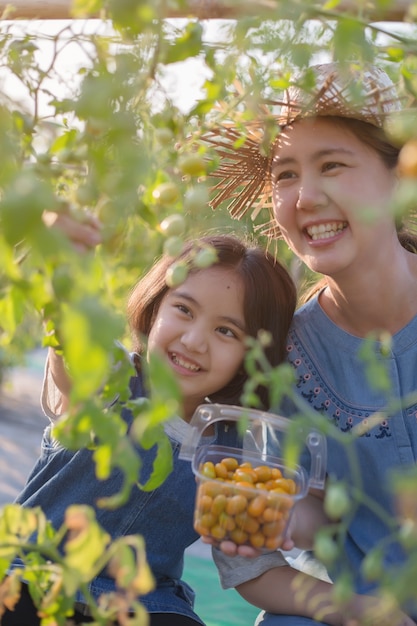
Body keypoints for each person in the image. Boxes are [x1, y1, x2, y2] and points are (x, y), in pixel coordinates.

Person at [203, 62, 417, 625]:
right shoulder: (275, 364)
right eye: (285, 176)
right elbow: (252, 561)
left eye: (333, 165)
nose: (305, 197)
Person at [1, 231, 296, 626]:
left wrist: (351, 607)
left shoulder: (233, 453)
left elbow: (255, 571)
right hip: (34, 571)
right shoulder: (114, 378)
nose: (193, 341)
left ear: (254, 358)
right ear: (155, 308)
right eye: (184, 310)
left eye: (226, 331)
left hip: (145, 602)